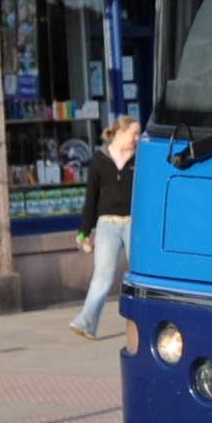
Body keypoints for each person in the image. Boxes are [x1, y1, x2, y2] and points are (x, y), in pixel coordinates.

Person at [68, 115, 142, 340]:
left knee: (139, 274)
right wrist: (84, 231)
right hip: (107, 224)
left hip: (133, 223)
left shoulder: (140, 160)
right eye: (134, 134)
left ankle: (144, 322)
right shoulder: (99, 160)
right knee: (102, 275)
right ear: (120, 133)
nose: (137, 138)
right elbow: (91, 198)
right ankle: (86, 322)